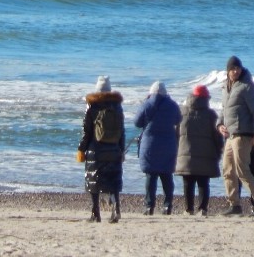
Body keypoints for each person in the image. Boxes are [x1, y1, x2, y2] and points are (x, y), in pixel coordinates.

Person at [218, 55, 254, 216]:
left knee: (242, 169)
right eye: (232, 69)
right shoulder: (225, 87)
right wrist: (220, 124)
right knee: (227, 169)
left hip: (244, 133)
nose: (235, 71)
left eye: (237, 68)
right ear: (227, 71)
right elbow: (224, 109)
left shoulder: (247, 87)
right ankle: (234, 205)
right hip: (230, 134)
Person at [77, 75, 125, 223]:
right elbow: (122, 131)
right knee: (113, 180)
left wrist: (81, 150)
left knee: (94, 182)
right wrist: (121, 150)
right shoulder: (117, 106)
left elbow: (87, 132)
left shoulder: (92, 106)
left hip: (96, 150)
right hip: (114, 149)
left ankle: (95, 213)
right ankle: (116, 209)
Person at [133, 81, 181, 215]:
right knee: (167, 176)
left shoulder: (146, 104)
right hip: (168, 144)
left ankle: (149, 206)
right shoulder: (172, 105)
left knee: (151, 175)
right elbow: (178, 120)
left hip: (150, 144)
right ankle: (167, 205)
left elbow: (137, 122)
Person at [175, 85, 223, 216]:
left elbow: (176, 134)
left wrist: (176, 153)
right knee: (203, 183)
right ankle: (202, 209)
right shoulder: (211, 115)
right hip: (206, 155)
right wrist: (219, 153)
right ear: (206, 98)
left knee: (187, 183)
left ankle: (188, 209)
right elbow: (217, 137)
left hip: (186, 155)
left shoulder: (182, 113)